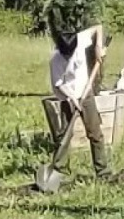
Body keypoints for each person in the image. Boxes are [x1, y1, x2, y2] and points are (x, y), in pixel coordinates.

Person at [42, 24, 111, 179]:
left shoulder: (80, 40)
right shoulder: (55, 60)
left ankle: (103, 171)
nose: (69, 57)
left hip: (86, 94)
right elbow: (59, 84)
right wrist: (72, 99)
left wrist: (98, 47)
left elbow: (98, 27)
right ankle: (60, 170)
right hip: (67, 96)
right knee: (64, 135)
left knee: (95, 133)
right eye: (66, 55)